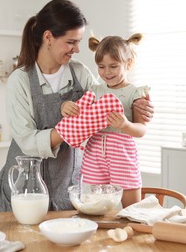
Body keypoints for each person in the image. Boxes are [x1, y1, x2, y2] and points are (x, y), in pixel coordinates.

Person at [0, 0, 154, 212]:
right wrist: (71, 129)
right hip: (27, 190)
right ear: (48, 37)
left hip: (69, 189)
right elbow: (27, 141)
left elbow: (107, 104)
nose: (77, 49)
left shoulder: (80, 73)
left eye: (78, 42)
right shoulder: (20, 80)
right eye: (71, 42)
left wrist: (137, 111)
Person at [61, 33, 148, 207]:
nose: (107, 72)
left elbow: (141, 130)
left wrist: (125, 125)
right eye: (101, 67)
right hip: (94, 153)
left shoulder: (135, 93)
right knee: (95, 206)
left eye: (113, 66)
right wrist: (65, 107)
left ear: (128, 64)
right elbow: (80, 114)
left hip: (122, 153)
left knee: (133, 209)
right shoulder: (94, 90)